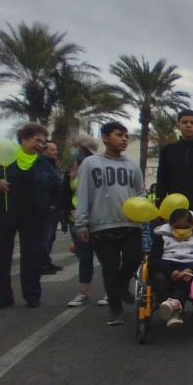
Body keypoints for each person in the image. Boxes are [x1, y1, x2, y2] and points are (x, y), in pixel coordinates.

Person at [75, 122, 146, 326]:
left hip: (131, 224)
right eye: (119, 135)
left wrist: (143, 210)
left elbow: (140, 193)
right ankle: (116, 310)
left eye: (126, 136)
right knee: (110, 268)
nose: (124, 139)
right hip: (101, 225)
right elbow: (83, 194)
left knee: (134, 258)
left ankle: (122, 285)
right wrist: (81, 224)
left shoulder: (132, 166)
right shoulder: (90, 164)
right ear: (105, 137)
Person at [0, 123, 60, 309]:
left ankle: (32, 296)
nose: (40, 145)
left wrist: (52, 205)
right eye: (37, 140)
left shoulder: (44, 164)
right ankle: (3, 298)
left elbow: (56, 188)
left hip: (34, 218)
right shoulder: (5, 159)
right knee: (2, 258)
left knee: (32, 258)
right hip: (5, 215)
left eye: (43, 143)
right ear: (24, 139)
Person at [150, 208, 193, 326]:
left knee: (186, 280)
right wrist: (170, 271)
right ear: (170, 225)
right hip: (166, 267)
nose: (181, 230)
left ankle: (171, 309)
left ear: (192, 225)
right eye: (177, 227)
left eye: (186, 227)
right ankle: (173, 309)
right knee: (159, 278)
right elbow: (153, 259)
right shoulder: (161, 235)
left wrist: (191, 268)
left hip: (190, 266)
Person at [61, 134, 101, 307]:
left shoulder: (98, 166)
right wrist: (70, 210)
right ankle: (84, 292)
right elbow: (65, 193)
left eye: (76, 146)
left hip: (98, 220)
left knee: (106, 257)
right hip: (76, 220)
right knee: (84, 257)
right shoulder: (71, 170)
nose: (73, 149)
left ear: (83, 148)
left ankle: (112, 292)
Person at [38, 141, 63, 274]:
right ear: (44, 151)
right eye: (52, 150)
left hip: (55, 209)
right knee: (44, 238)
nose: (55, 152)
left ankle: (46, 262)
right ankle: (42, 264)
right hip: (47, 209)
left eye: (56, 150)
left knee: (50, 237)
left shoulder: (52, 165)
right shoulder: (41, 165)